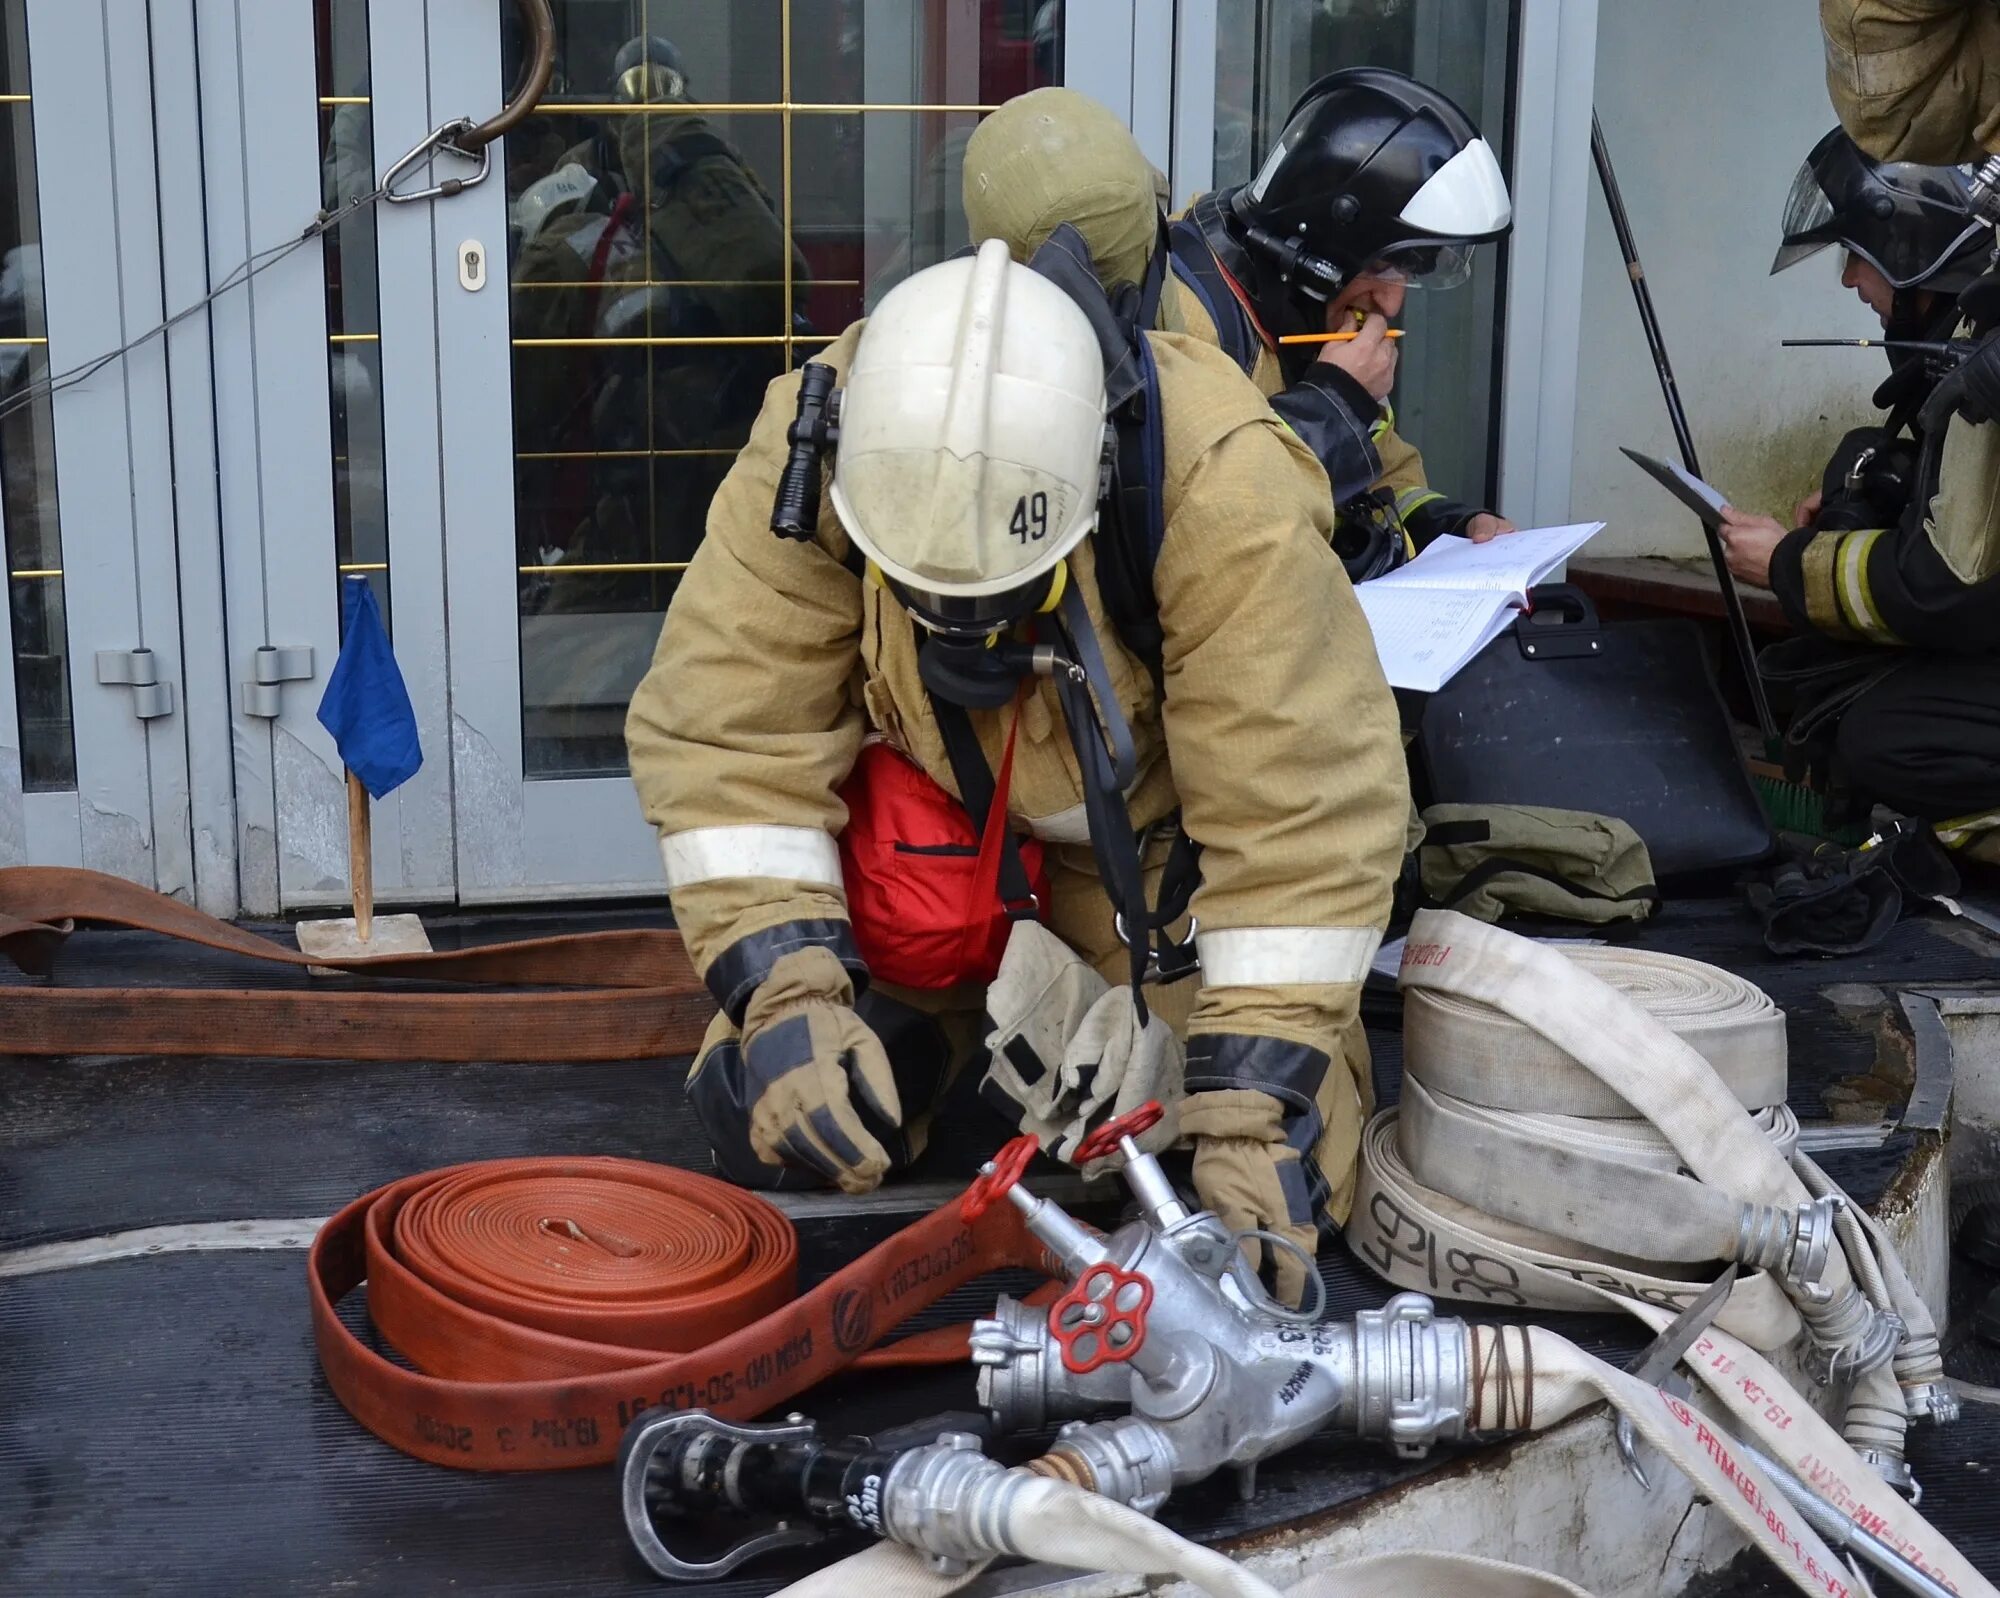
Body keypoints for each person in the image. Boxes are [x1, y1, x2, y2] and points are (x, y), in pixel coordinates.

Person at [626, 238, 1409, 1306]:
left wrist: (1249, 1105)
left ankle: (1195, 1073)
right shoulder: (819, 442)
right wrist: (782, 997)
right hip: (944, 855)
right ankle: (929, 1024)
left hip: (1152, 868)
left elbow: (1301, 821)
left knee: (1271, 1192)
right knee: (767, 1112)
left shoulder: (1219, 483)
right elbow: (728, 735)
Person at [964, 81, 1515, 586]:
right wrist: (1335, 405)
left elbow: (1383, 476)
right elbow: (1196, 516)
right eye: (1384, 268)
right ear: (1324, 245)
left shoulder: (1317, 311)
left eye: (1408, 275)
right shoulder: (1182, 322)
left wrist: (1451, 528)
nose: (1392, 302)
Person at [1716, 122, 2000, 847]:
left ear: (1908, 254)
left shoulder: (1985, 376)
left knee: (1883, 737)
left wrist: (1786, 562)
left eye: (1856, 256)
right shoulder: (1972, 336)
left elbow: (1941, 588)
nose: (1848, 281)